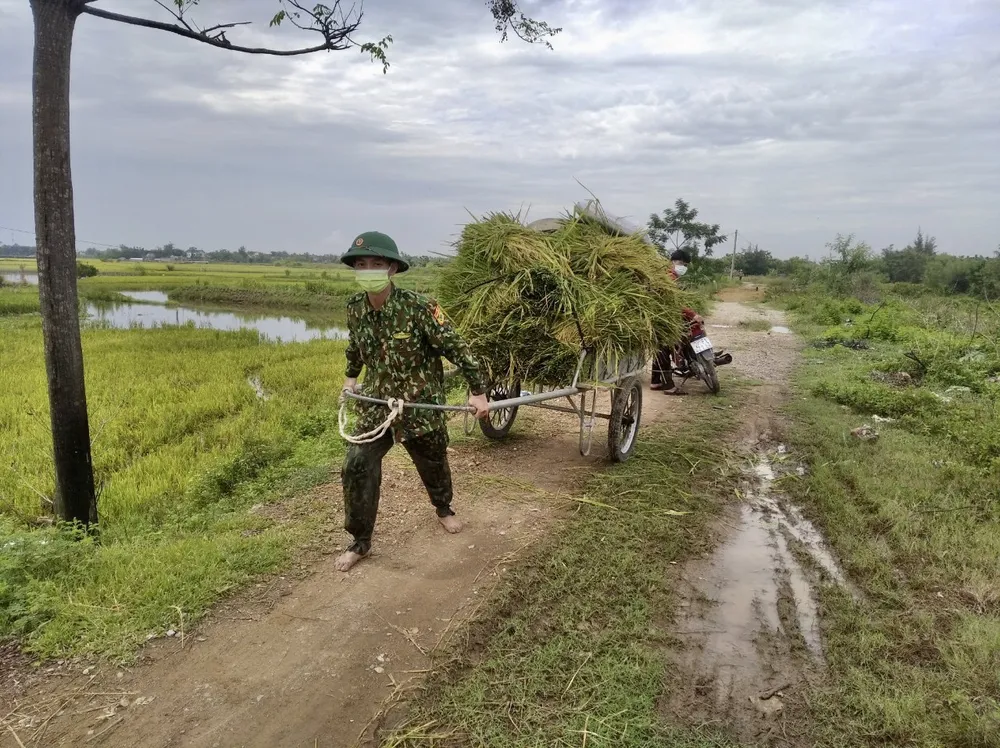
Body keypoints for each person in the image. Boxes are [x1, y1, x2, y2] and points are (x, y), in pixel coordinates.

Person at [336, 231, 490, 572]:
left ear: (392, 268)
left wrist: (478, 391)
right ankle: (360, 542)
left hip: (421, 405)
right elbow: (355, 346)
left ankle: (443, 508)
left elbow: (457, 348)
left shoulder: (420, 308)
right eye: (361, 264)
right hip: (378, 403)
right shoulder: (355, 309)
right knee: (357, 464)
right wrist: (351, 376)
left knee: (433, 462)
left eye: (376, 263)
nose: (368, 270)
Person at [650, 249, 702, 396]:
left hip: (659, 316)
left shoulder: (669, 276)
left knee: (659, 349)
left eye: (685, 265)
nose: (682, 267)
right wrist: (693, 314)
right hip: (660, 318)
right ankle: (669, 386)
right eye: (680, 263)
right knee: (664, 349)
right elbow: (674, 303)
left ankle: (656, 381)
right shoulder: (668, 277)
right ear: (672, 261)